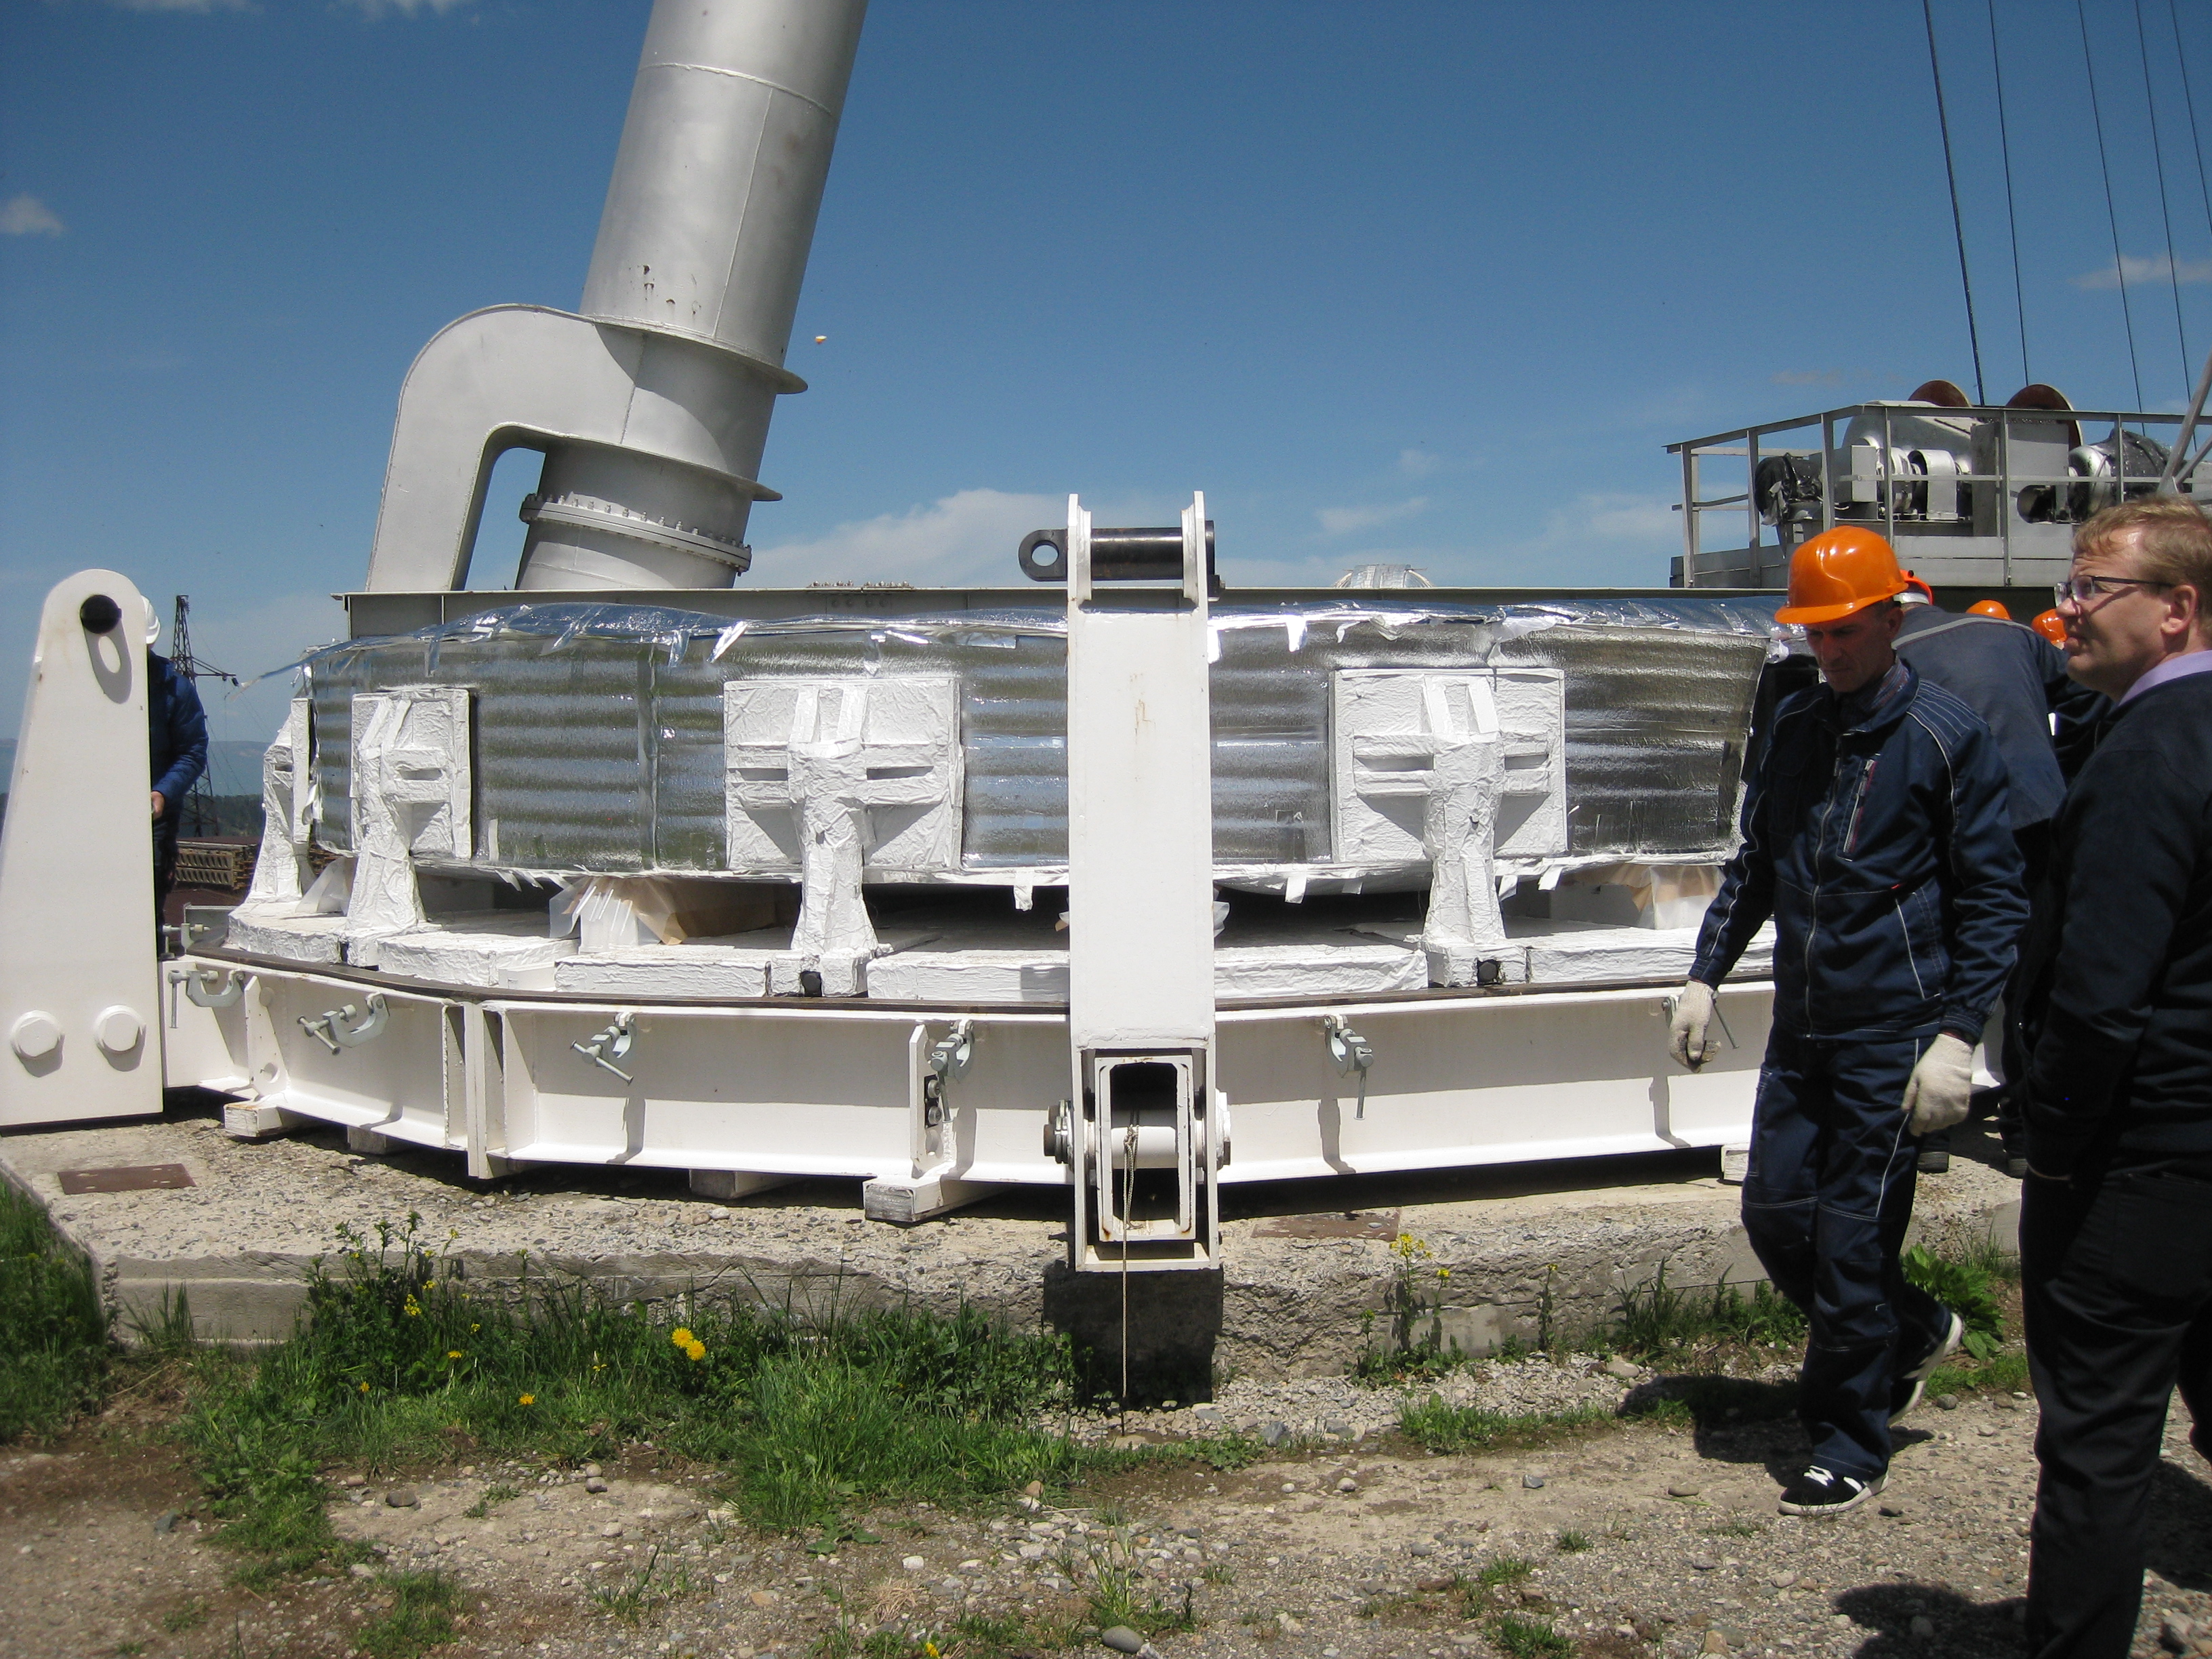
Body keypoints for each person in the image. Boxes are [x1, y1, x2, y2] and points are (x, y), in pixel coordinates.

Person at [1669, 525, 2027, 1516]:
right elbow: (1759, 863)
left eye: (1844, 633)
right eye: (1814, 634)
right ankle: (1909, 1332)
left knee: (1853, 1242)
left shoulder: (1945, 738)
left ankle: (1848, 1440)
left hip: (1895, 1029)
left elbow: (1995, 897)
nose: (1827, 651)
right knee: (1776, 1214)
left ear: (1890, 620)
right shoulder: (1796, 727)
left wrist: (1958, 1036)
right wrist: (1704, 974)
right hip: (1805, 1025)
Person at [2013, 496, 2212, 1659]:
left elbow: (2099, 993)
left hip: (2143, 1155)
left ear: (2176, 608)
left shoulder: (2145, 753)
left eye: (2092, 587)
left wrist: (2054, 1139)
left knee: (2098, 1437)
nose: (2067, 610)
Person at [1891, 584, 2109, 1175]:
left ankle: (1930, 1133)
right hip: (2032, 816)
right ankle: (2023, 1136)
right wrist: (2060, 765)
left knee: (1937, 966)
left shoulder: (1888, 653)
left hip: (1944, 828)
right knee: (2033, 977)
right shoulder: (2014, 636)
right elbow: (2089, 693)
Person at [150, 643, 209, 939]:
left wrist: (162, 792)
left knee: (146, 900)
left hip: (152, 819)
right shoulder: (81, 684)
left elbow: (193, 752)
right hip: (91, 814)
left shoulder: (175, 689)